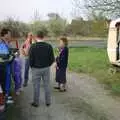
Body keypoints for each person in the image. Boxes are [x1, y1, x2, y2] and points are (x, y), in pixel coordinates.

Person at [29, 31, 54, 107]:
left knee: (36, 86)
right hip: (46, 68)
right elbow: (52, 59)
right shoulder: (49, 46)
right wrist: (47, 65)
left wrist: (32, 66)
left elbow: (31, 59)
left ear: (36, 37)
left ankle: (36, 103)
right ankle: (48, 102)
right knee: (47, 85)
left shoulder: (33, 46)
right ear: (44, 36)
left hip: (36, 69)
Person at [0, 28, 14, 104]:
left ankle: (7, 95)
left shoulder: (5, 42)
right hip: (3, 67)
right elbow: (5, 58)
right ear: (5, 35)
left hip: (6, 67)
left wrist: (12, 52)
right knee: (4, 83)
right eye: (9, 34)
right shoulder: (1, 43)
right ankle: (5, 100)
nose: (10, 35)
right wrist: (13, 55)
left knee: (7, 82)